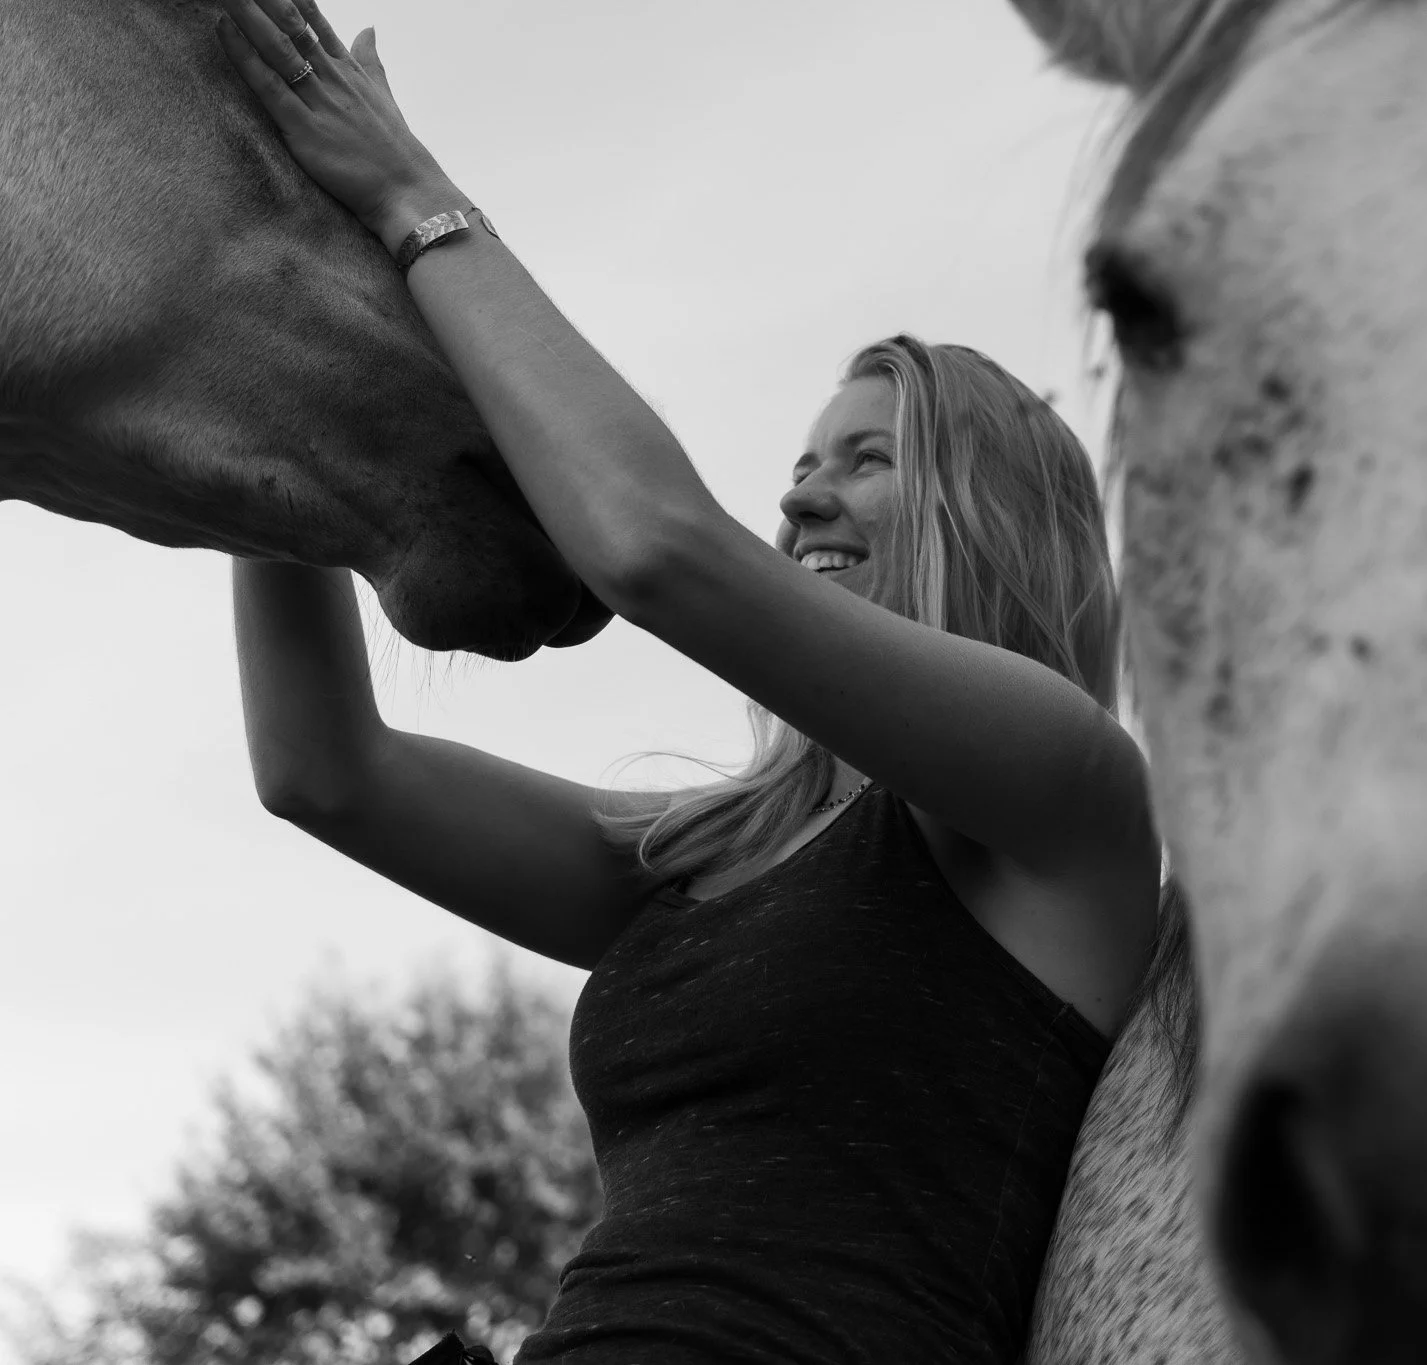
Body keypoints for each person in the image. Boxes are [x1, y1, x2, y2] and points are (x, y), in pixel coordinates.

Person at [216, 2, 1163, 1362]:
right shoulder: (706, 858)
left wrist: (413, 200)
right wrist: (272, 396)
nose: (799, 493)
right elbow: (324, 769)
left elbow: (655, 547)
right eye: (804, 460)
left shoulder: (1060, 790)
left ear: (994, 517)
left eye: (866, 460)